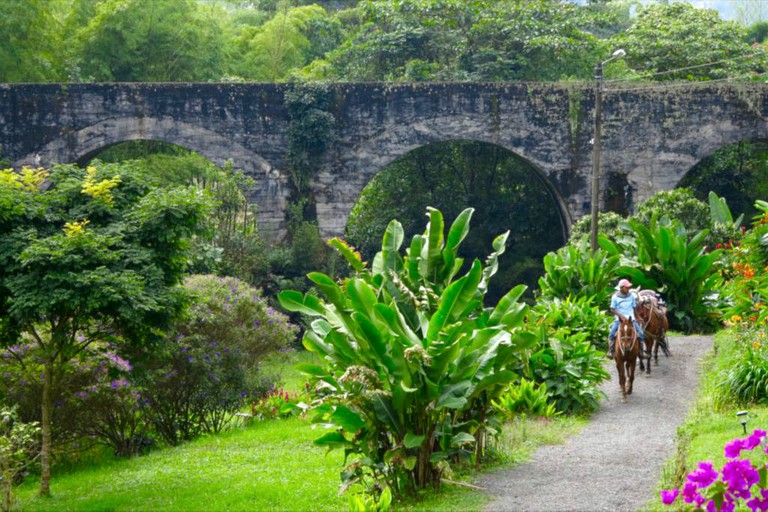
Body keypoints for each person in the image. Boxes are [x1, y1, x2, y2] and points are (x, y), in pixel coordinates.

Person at [607, 278, 646, 359]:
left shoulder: (631, 296)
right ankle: (611, 350)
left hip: (631, 320)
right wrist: (620, 315)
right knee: (611, 334)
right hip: (619, 320)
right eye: (627, 287)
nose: (628, 289)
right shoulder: (615, 297)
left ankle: (641, 351)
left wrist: (638, 317)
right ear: (621, 288)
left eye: (628, 287)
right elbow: (612, 309)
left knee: (641, 333)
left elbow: (634, 308)